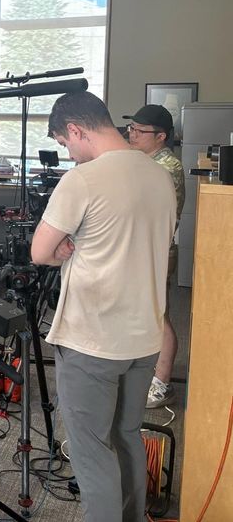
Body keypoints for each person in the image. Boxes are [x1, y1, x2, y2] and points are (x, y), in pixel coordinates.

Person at [31, 92, 175, 522]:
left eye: (65, 142)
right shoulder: (160, 175)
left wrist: (64, 250)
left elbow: (40, 251)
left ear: (76, 130)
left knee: (91, 451)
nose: (68, 152)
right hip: (143, 337)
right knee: (127, 436)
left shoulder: (83, 180)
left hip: (92, 337)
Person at [123, 104, 185, 409]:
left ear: (160, 136)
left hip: (156, 250)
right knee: (142, 313)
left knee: (159, 317)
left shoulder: (167, 166)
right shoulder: (144, 159)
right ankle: (145, 373)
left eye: (139, 130)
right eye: (131, 128)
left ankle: (162, 384)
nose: (131, 134)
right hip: (139, 247)